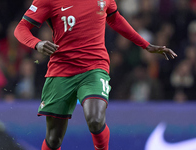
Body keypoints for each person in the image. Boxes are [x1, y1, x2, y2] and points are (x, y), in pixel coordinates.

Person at [14, 0, 177, 149]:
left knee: (95, 119)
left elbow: (115, 18)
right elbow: (21, 28)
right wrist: (37, 43)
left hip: (94, 67)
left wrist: (145, 45)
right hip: (61, 70)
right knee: (53, 138)